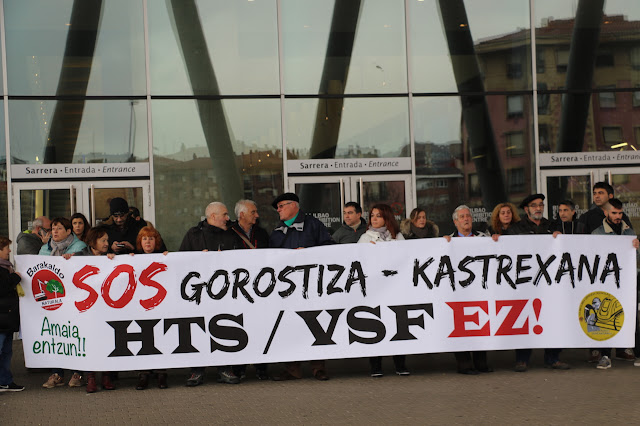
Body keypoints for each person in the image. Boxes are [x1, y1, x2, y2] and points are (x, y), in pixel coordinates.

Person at [269, 192, 333, 381]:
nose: (278, 210)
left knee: (316, 324)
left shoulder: (313, 225)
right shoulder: (277, 230)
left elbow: (329, 247)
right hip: (287, 288)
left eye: (281, 206)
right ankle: (292, 368)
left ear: (294, 205)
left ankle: (318, 367)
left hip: (312, 284)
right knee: (290, 325)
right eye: (277, 208)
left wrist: (309, 254)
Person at [179, 201, 240, 387]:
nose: (228, 218)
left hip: (224, 293)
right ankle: (197, 370)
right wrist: (199, 258)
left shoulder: (232, 235)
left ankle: (224, 368)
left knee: (224, 326)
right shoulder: (193, 234)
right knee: (198, 330)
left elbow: (241, 261)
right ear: (213, 216)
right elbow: (181, 260)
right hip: (199, 294)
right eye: (225, 215)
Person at [508, 194, 569, 372]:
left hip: (550, 283)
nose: (538, 208)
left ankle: (553, 358)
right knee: (525, 318)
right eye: (534, 205)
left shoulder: (553, 226)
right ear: (526, 209)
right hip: (526, 282)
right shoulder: (516, 229)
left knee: (553, 317)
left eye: (541, 205)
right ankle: (522, 359)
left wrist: (561, 239)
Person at [358, 204, 409, 377]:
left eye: (378, 216)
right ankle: (376, 366)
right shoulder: (365, 238)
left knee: (397, 325)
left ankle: (400, 365)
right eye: (372, 215)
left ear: (387, 218)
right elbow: (358, 261)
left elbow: (405, 259)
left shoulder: (398, 237)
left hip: (395, 289)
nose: (374, 218)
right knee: (375, 324)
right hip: (375, 290)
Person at [591, 198, 640, 369]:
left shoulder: (629, 232)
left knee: (632, 317)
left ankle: (635, 352)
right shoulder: (597, 234)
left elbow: (636, 259)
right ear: (606, 213)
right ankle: (605, 355)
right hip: (606, 282)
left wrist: (637, 248)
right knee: (605, 317)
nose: (618, 216)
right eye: (614, 213)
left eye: (620, 213)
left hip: (626, 282)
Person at [443, 205, 493, 375]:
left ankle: (481, 363)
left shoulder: (483, 237)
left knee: (480, 323)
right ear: (455, 222)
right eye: (462, 217)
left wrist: (497, 241)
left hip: (479, 289)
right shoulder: (447, 240)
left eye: (468, 216)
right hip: (457, 291)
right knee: (460, 325)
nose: (466, 219)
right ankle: (464, 364)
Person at [40, 217, 87, 388]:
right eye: (53, 228)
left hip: (75, 300)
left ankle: (78, 372)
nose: (55, 232)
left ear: (69, 231)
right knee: (57, 335)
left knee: (75, 334)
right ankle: (57, 373)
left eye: (59, 228)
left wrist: (74, 259)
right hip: (55, 301)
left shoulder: (80, 248)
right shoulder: (45, 250)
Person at [70, 227, 116, 392]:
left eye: (107, 240)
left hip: (105, 308)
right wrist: (66, 260)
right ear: (93, 241)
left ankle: (106, 376)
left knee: (106, 341)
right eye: (103, 240)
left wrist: (112, 260)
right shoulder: (81, 256)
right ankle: (90, 377)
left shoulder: (108, 257)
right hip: (88, 309)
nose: (106, 244)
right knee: (90, 343)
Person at [228, 200, 270, 380]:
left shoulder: (262, 233)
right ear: (242, 214)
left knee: (260, 325)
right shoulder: (229, 233)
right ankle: (239, 366)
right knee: (239, 325)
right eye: (253, 212)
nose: (257, 215)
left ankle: (261, 367)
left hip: (260, 288)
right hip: (237, 289)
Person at [131, 226, 169, 390]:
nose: (148, 242)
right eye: (145, 239)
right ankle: (143, 374)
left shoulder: (164, 258)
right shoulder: (133, 258)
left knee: (160, 336)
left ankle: (162, 373)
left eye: (151, 239)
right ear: (140, 241)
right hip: (141, 305)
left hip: (160, 305)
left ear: (157, 242)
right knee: (144, 338)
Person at [0, 237, 24, 392]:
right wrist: (15, 277)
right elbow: (2, 288)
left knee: (7, 352)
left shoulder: (6, 267)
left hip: (6, 318)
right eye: (6, 248)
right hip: (2, 317)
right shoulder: (3, 270)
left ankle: (5, 381)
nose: (9, 251)